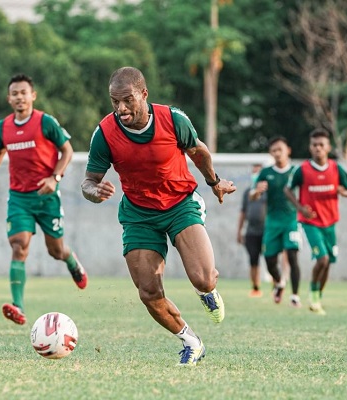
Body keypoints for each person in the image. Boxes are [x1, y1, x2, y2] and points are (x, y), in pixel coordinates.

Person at [81, 66, 237, 366]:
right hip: (139, 214)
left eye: (127, 100)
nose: (121, 108)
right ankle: (191, 341)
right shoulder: (104, 133)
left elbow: (199, 152)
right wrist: (94, 191)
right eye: (114, 101)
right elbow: (88, 181)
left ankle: (207, 292)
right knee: (149, 291)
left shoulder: (173, 119)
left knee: (203, 279)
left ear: (144, 94)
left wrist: (214, 182)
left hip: (180, 204)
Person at [0, 74, 88, 326]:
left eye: (23, 93)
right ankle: (18, 306)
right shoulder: (3, 127)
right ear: (9, 98)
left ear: (32, 96)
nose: (19, 97)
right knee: (19, 245)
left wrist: (54, 178)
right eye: (14, 93)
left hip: (47, 197)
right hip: (19, 198)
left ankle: (71, 261)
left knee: (55, 251)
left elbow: (67, 150)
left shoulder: (45, 122)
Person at [284, 128, 347, 315]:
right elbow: (287, 189)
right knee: (321, 259)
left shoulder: (336, 168)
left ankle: (318, 298)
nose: (318, 148)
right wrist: (300, 208)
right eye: (315, 145)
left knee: (328, 261)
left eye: (321, 145)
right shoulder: (303, 170)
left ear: (328, 147)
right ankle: (313, 295)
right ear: (310, 147)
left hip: (330, 223)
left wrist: (343, 192)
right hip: (311, 222)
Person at [250, 136, 302, 307]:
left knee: (293, 256)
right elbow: (252, 196)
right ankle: (279, 282)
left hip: (291, 221)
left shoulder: (296, 171)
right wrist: (257, 191)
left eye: (280, 149)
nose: (277, 153)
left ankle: (295, 296)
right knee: (270, 259)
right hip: (272, 221)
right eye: (274, 151)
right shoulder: (266, 173)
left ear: (288, 150)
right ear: (270, 153)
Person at [237, 163, 266, 298]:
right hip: (251, 232)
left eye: (258, 173)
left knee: (271, 259)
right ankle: (255, 287)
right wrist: (239, 231)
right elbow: (243, 212)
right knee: (253, 260)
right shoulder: (247, 193)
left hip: (267, 232)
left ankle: (276, 287)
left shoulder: (268, 193)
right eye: (253, 173)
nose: (255, 176)